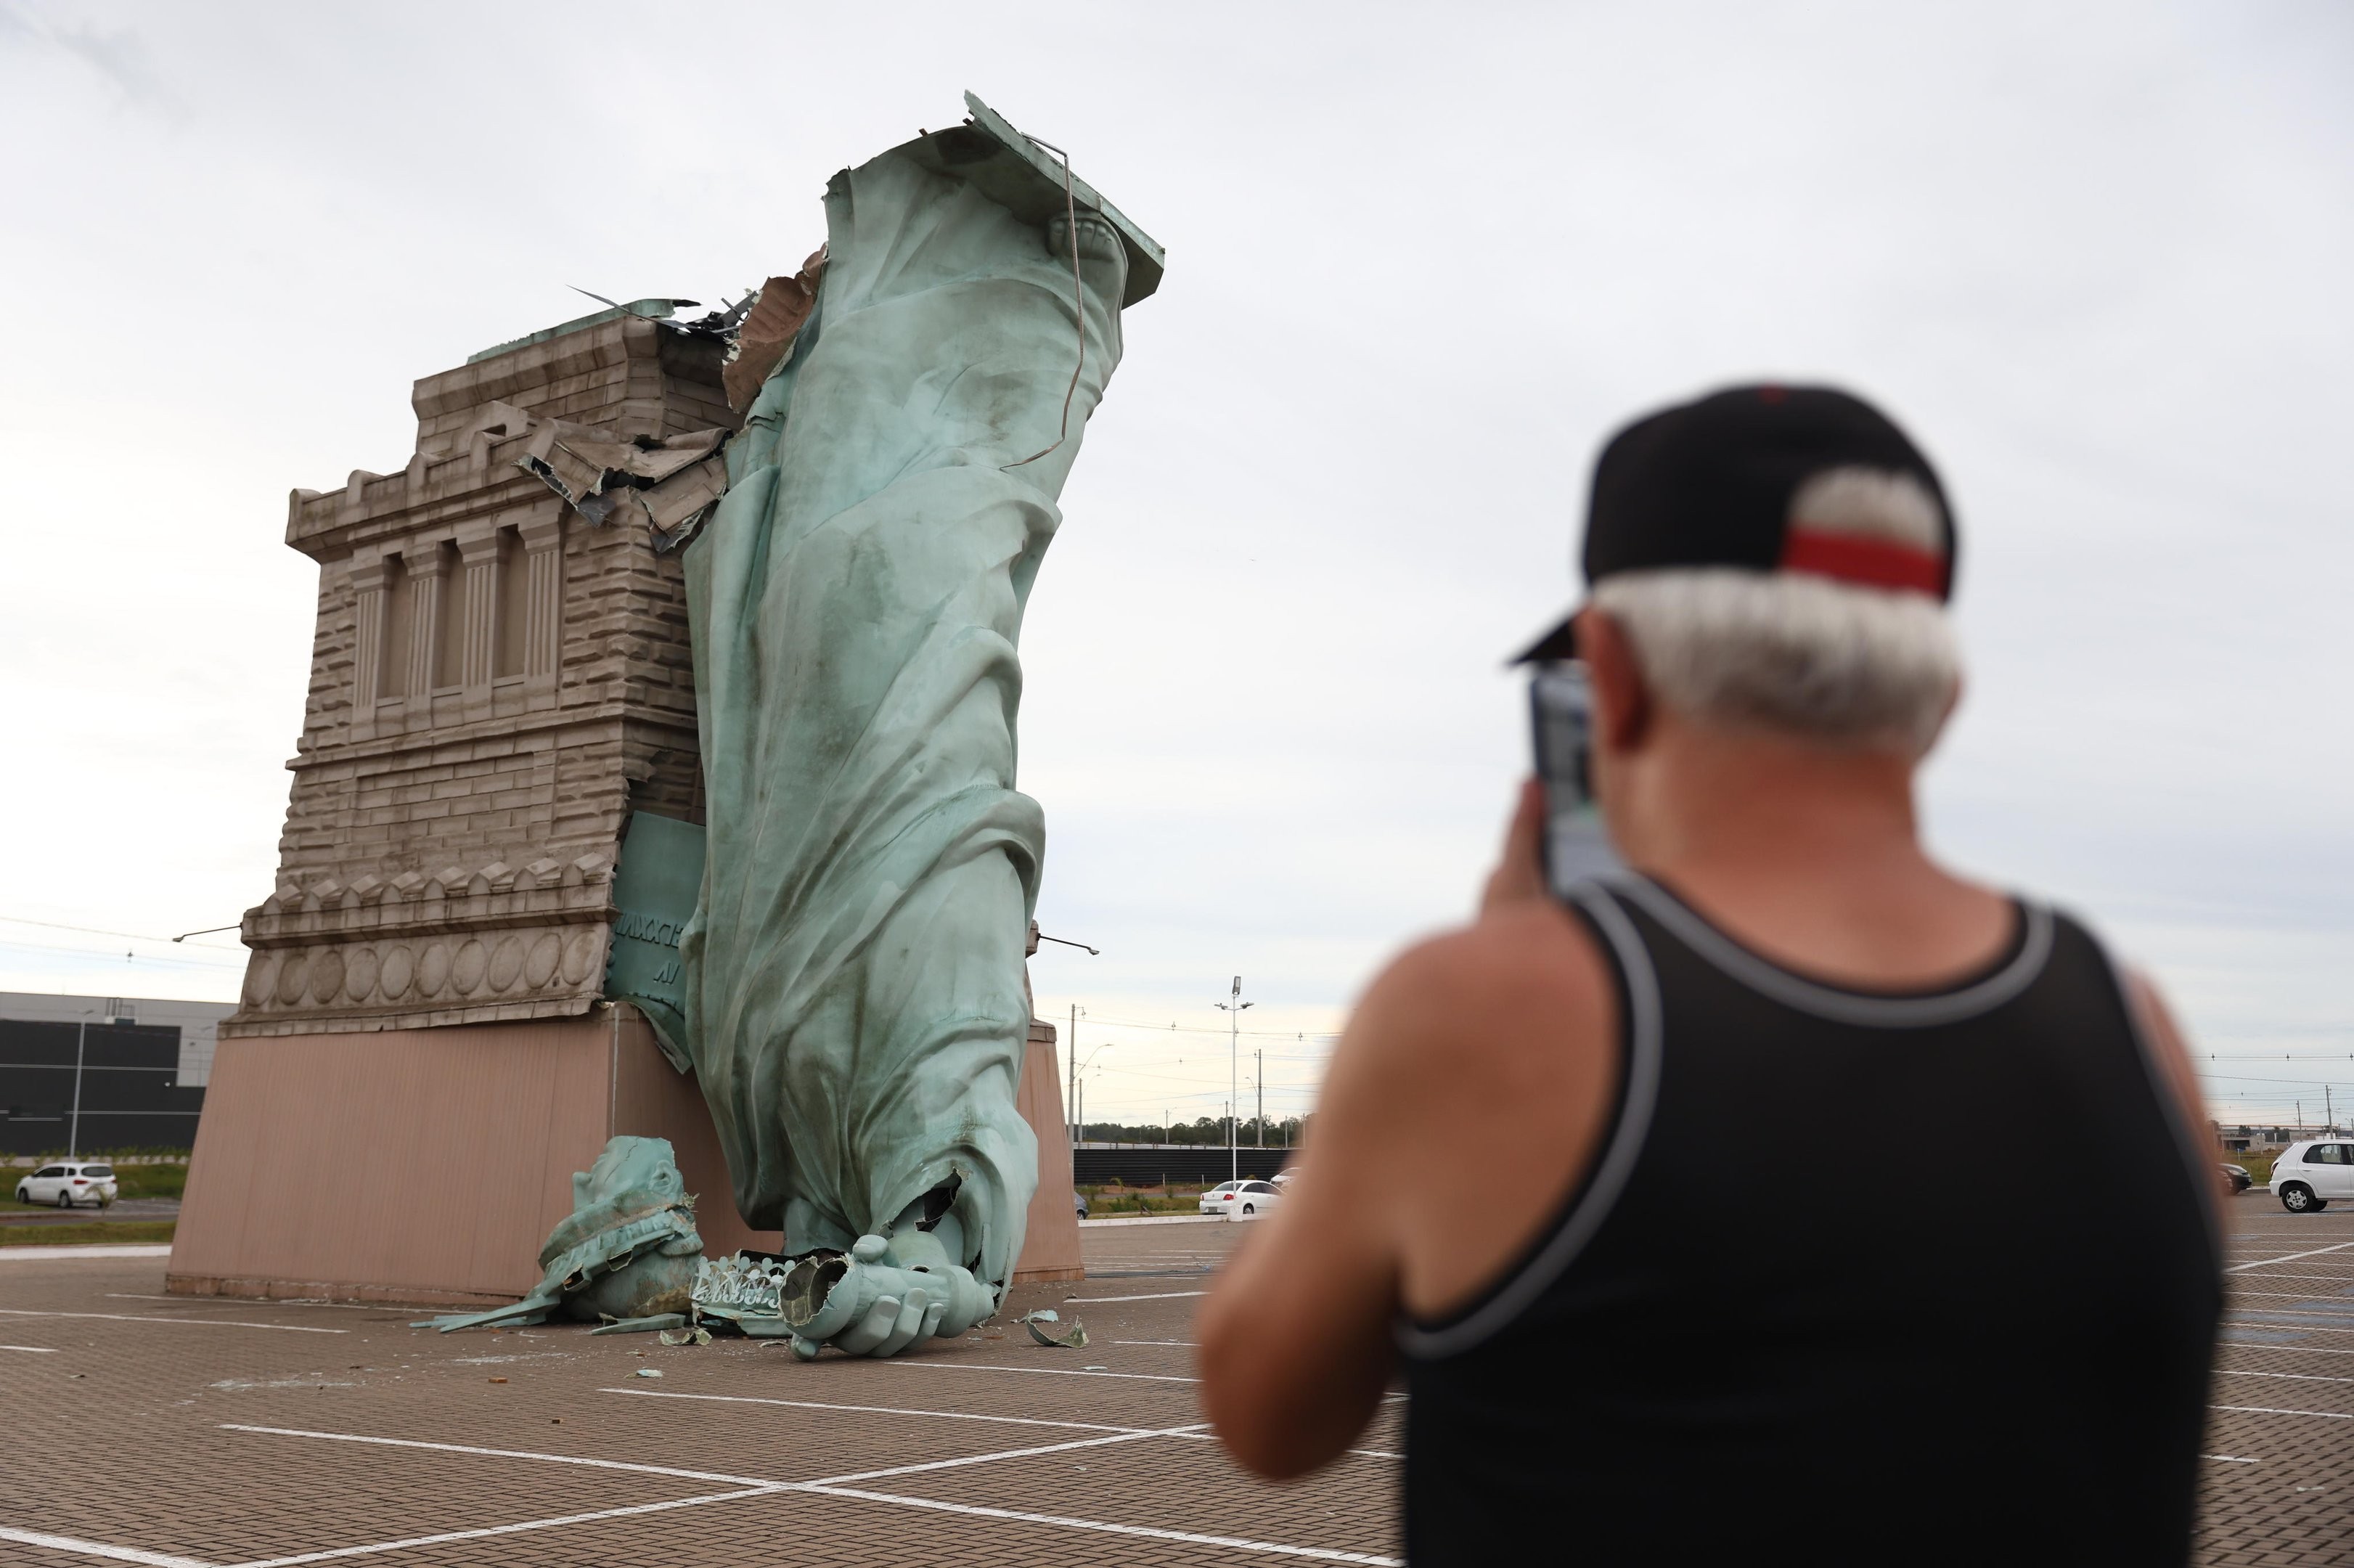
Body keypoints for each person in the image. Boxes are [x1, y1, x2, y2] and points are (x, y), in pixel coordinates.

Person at [1198, 385, 2223, 1564]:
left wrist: (1477, 978)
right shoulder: (2138, 1025)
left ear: (1610, 676)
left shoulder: (1486, 1009)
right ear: (1939, 701)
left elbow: (1262, 1417)